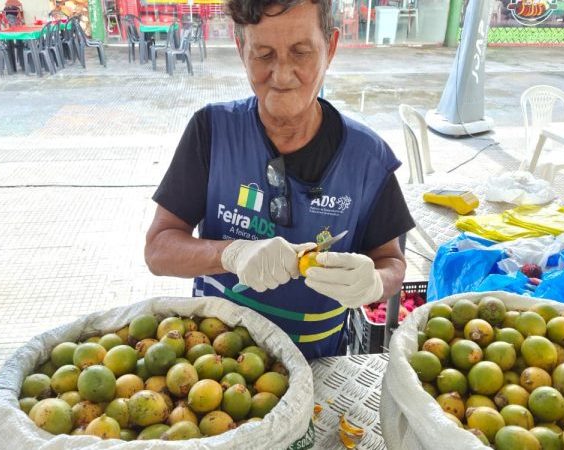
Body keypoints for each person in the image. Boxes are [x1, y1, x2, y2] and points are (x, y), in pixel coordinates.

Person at [145, 0, 415, 359]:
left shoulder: (368, 159)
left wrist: (374, 282)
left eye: (301, 52)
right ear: (242, 50)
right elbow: (158, 250)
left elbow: (392, 263)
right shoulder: (211, 132)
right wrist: (231, 254)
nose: (282, 75)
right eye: (264, 54)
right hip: (213, 369)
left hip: (320, 362)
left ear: (330, 48)